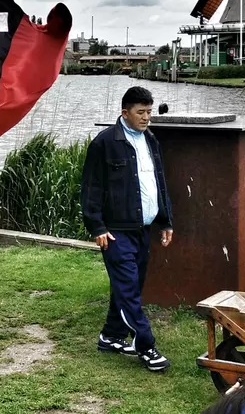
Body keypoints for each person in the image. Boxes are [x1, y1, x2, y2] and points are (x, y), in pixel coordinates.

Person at [80, 85, 174, 372]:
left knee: (129, 287)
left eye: (149, 112)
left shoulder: (151, 141)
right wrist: (96, 227)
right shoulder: (104, 143)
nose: (146, 118)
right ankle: (146, 346)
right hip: (115, 232)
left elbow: (158, 182)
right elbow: (90, 189)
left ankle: (111, 336)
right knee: (129, 290)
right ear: (125, 113)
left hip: (141, 229)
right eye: (140, 112)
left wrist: (166, 220)